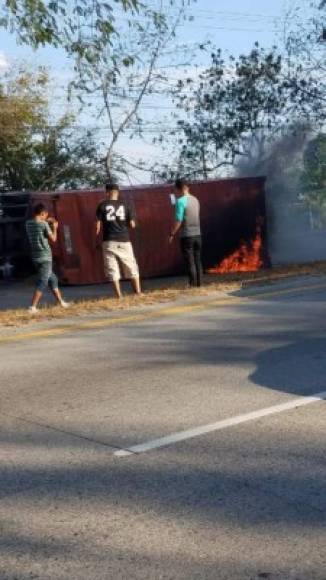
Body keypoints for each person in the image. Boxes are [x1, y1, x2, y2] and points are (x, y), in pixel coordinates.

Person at [96, 182, 141, 298]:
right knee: (131, 265)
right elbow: (132, 224)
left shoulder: (102, 205)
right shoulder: (125, 205)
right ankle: (138, 292)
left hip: (109, 240)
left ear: (107, 193)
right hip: (124, 239)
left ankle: (119, 295)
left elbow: (97, 225)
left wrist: (96, 239)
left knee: (112, 267)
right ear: (117, 192)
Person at [25, 203, 69, 313]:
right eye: (45, 215)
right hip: (45, 257)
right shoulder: (44, 224)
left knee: (53, 279)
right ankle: (32, 307)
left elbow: (38, 224)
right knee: (43, 281)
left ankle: (61, 302)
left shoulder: (28, 224)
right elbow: (53, 239)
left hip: (35, 257)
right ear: (42, 213)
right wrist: (54, 228)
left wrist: (46, 220)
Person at [169, 178, 202, 287]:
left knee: (190, 261)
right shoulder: (196, 199)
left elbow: (179, 220)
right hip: (198, 234)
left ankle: (192, 284)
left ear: (178, 189)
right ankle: (199, 284)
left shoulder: (180, 201)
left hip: (187, 235)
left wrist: (172, 234)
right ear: (187, 187)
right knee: (197, 260)